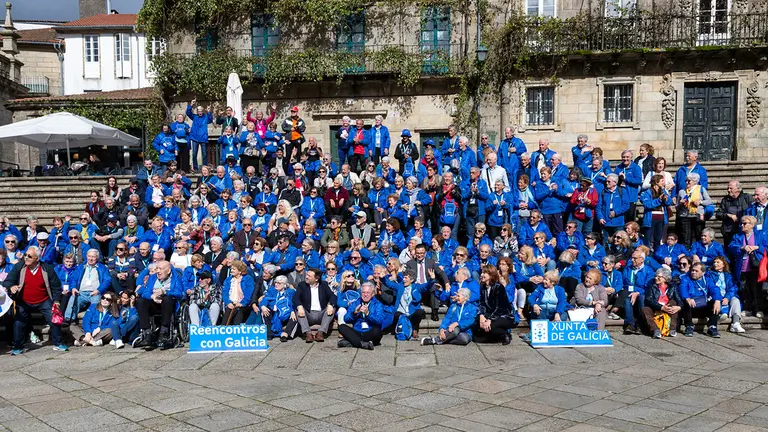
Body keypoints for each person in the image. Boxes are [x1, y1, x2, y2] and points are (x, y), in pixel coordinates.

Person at [3, 246, 68, 354]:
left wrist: (56, 301)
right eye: (25, 255)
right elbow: (8, 281)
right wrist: (11, 287)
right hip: (23, 300)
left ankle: (58, 343)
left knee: (54, 319)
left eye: (29, 256)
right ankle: (18, 346)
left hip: (43, 300)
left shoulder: (47, 268)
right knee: (19, 323)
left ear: (37, 258)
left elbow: (56, 287)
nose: (26, 258)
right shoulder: (20, 266)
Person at [134, 261, 183, 348]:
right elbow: (145, 292)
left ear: (168, 271)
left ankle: (163, 333)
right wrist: (152, 296)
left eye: (161, 269)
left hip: (168, 305)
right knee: (140, 301)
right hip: (154, 304)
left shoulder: (176, 278)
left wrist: (165, 292)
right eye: (157, 269)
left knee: (167, 299)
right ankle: (147, 333)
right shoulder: (152, 278)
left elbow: (179, 293)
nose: (158, 271)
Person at [728, 215, 763, 318]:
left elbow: (765, 246)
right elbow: (731, 247)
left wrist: (756, 247)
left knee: (756, 289)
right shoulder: (737, 236)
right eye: (741, 223)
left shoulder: (759, 235)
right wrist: (742, 247)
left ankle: (758, 309)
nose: (742, 225)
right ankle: (747, 309)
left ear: (752, 225)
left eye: (745, 223)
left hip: (755, 266)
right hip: (742, 267)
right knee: (744, 289)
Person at [475, 265, 518, 345]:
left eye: (484, 273)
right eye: (482, 272)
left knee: (491, 326)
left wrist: (490, 320)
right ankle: (495, 337)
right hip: (490, 314)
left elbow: (500, 308)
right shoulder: (482, 287)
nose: (481, 275)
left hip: (504, 316)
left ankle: (505, 334)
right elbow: (482, 303)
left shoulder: (499, 287)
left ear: (491, 275)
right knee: (478, 329)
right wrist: (481, 315)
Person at [292, 268, 337, 342]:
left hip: (321, 314)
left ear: (316, 279)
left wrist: (330, 305)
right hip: (308, 314)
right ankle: (308, 333)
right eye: (307, 275)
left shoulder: (324, 285)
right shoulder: (302, 285)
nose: (306, 277)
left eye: (309, 276)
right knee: (298, 309)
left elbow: (333, 296)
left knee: (332, 308)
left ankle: (320, 333)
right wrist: (299, 306)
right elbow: (295, 298)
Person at [337, 282, 385, 350]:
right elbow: (346, 319)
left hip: (370, 332)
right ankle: (362, 344)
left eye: (368, 292)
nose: (365, 295)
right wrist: (354, 313)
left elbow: (380, 320)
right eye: (363, 292)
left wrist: (368, 314)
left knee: (377, 331)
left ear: (373, 294)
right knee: (341, 327)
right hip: (357, 331)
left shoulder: (378, 304)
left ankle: (353, 342)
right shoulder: (356, 303)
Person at [680, 262, 722, 338]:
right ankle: (689, 326)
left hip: (703, 305)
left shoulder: (707, 280)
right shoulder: (686, 278)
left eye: (696, 271)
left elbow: (715, 289)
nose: (693, 272)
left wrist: (717, 300)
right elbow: (683, 289)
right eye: (692, 270)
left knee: (714, 303)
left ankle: (712, 327)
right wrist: (688, 298)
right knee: (686, 303)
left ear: (703, 273)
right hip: (691, 306)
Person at [707, 256, 744, 333]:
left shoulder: (729, 276)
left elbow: (733, 288)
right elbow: (711, 287)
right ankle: (721, 315)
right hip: (715, 297)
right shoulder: (709, 274)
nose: (715, 264)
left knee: (735, 300)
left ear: (723, 264)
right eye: (714, 262)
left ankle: (735, 323)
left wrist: (727, 297)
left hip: (726, 296)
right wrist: (719, 298)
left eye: (718, 262)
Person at [642, 267, 682, 339]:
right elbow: (648, 299)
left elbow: (679, 299)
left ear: (666, 278)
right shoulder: (651, 286)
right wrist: (661, 307)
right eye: (655, 276)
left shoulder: (673, 286)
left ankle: (672, 329)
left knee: (673, 302)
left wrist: (679, 307)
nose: (656, 278)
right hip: (657, 307)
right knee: (645, 309)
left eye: (659, 277)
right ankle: (655, 330)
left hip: (668, 307)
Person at [640, 174, 674, 251]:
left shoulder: (663, 191)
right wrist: (659, 200)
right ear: (656, 182)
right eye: (662, 181)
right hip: (650, 218)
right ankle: (647, 255)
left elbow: (670, 202)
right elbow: (647, 204)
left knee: (658, 239)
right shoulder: (646, 193)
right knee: (647, 239)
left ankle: (657, 255)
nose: (664, 183)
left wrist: (666, 198)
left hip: (661, 218)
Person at [259, 275, 296, 341]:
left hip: (286, 312)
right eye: (275, 282)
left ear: (285, 285)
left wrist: (292, 310)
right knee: (265, 311)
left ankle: (285, 334)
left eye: (279, 283)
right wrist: (263, 306)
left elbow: (294, 302)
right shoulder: (271, 290)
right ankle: (269, 333)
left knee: (295, 314)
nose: (276, 284)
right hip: (274, 312)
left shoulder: (291, 292)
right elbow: (265, 299)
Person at [716, 180, 751, 248]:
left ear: (738, 189)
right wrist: (729, 215)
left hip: (743, 231)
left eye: (731, 188)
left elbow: (752, 211)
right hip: (729, 231)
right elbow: (718, 214)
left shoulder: (747, 197)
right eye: (728, 188)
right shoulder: (725, 200)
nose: (728, 190)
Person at [187, 100, 213, 171]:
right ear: (197, 111)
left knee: (204, 155)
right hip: (195, 137)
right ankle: (195, 168)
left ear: (203, 111)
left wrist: (209, 112)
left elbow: (210, 120)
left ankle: (204, 168)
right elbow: (188, 113)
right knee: (194, 154)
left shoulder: (205, 117)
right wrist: (191, 105)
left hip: (203, 138)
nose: (200, 112)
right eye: (198, 111)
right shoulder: (195, 117)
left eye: (201, 111)